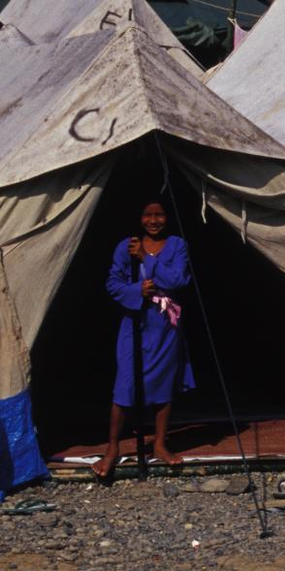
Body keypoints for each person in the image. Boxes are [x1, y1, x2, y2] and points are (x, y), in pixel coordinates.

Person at [94, 202, 195, 478]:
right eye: (148, 214)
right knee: (125, 385)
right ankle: (112, 449)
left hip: (164, 325)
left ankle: (160, 444)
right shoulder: (127, 246)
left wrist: (146, 260)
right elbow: (112, 284)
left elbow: (178, 280)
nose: (153, 220)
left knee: (163, 383)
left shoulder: (177, 245)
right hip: (134, 323)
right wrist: (137, 289)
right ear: (139, 218)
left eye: (159, 214)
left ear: (167, 217)